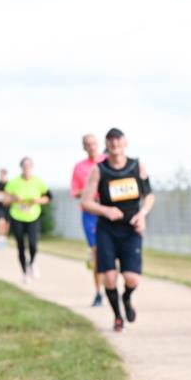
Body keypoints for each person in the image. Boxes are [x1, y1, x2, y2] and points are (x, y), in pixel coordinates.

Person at [81, 128, 155, 332]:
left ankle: (127, 297)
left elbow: (149, 195)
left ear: (125, 142)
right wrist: (105, 210)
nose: (115, 144)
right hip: (107, 230)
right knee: (110, 277)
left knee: (131, 278)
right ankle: (117, 316)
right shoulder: (99, 170)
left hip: (131, 228)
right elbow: (85, 201)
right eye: (110, 140)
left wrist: (143, 214)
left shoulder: (136, 165)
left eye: (118, 139)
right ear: (106, 144)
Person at [71, 134, 107, 307]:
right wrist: (89, 188)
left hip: (107, 211)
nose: (91, 146)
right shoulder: (79, 167)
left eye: (93, 143)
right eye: (87, 144)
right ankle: (99, 293)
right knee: (97, 253)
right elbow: (75, 192)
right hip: (89, 213)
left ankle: (111, 286)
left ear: (98, 144)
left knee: (110, 252)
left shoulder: (108, 161)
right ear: (84, 147)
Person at [4, 158, 50, 283]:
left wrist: (38, 200)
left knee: (33, 244)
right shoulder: (13, 182)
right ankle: (25, 273)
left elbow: (48, 197)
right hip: (17, 216)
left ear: (32, 167)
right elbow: (5, 200)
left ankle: (33, 262)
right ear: (21, 167)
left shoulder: (38, 182)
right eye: (24, 166)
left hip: (33, 216)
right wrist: (14, 198)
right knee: (20, 245)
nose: (26, 168)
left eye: (29, 165)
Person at [0, 168, 11, 248]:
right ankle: (0, 239)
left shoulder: (10, 184)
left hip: (8, 206)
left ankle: (4, 238)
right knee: (1, 221)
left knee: (7, 223)